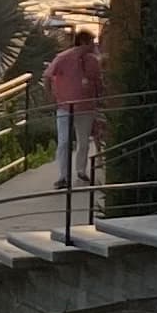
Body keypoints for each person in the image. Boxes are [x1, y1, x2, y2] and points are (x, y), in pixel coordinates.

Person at [43, 26, 106, 201]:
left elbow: (97, 81)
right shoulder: (63, 58)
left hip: (86, 107)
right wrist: (51, 97)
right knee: (64, 141)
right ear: (84, 42)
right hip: (65, 106)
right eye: (91, 42)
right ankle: (63, 176)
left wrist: (99, 98)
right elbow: (48, 76)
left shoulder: (92, 61)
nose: (93, 45)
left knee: (83, 141)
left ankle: (80, 170)